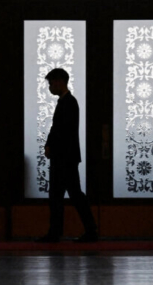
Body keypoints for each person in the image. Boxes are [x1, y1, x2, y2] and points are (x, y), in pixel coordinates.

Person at [35, 68, 98, 243]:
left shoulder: (69, 103)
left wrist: (51, 146)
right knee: (65, 195)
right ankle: (62, 232)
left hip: (64, 158)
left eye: (51, 83)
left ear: (59, 81)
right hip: (65, 157)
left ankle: (67, 232)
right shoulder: (65, 102)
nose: (50, 87)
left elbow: (62, 131)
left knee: (68, 195)